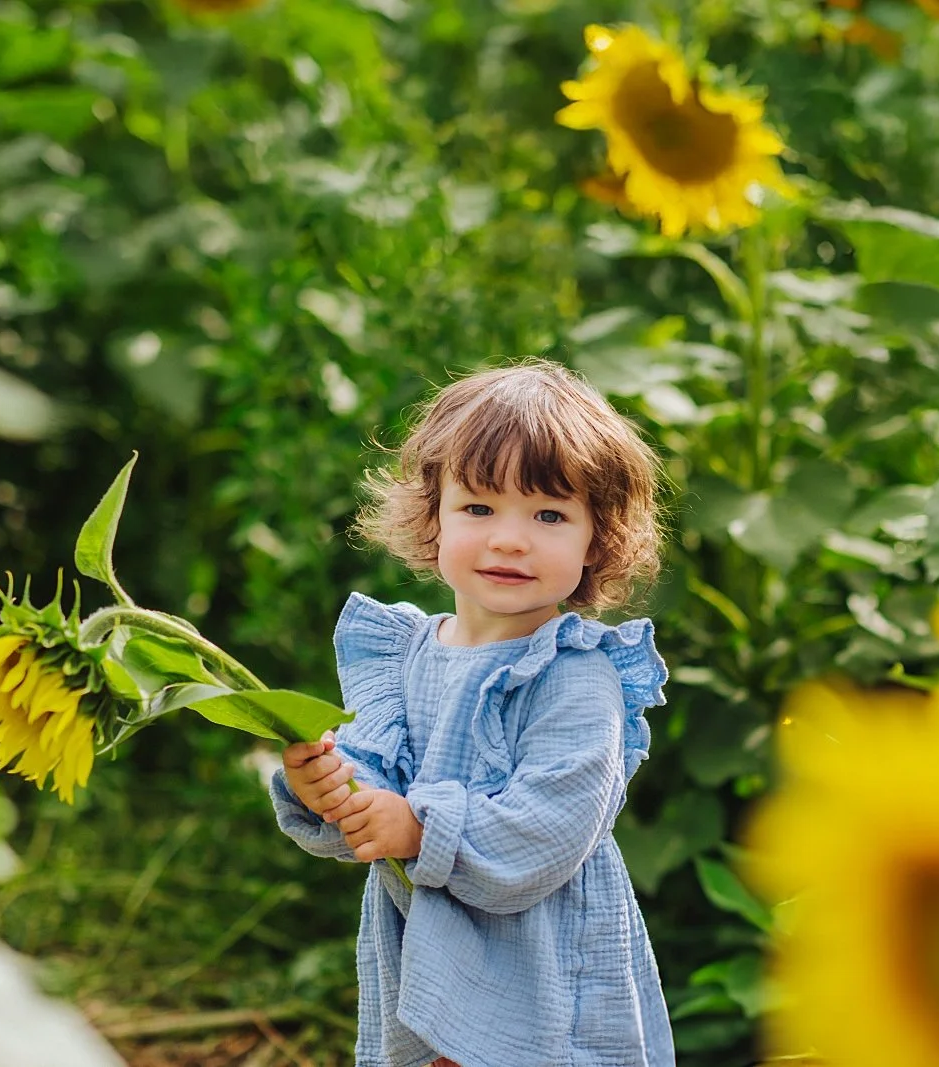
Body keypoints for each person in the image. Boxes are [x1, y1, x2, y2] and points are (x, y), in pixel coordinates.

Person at [270, 358, 674, 1067]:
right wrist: (329, 788)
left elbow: (543, 831)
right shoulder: (401, 656)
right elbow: (371, 783)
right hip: (422, 968)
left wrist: (416, 824)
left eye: (549, 514)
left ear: (596, 539)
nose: (510, 538)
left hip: (540, 983)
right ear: (434, 517)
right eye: (479, 508)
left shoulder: (578, 677)